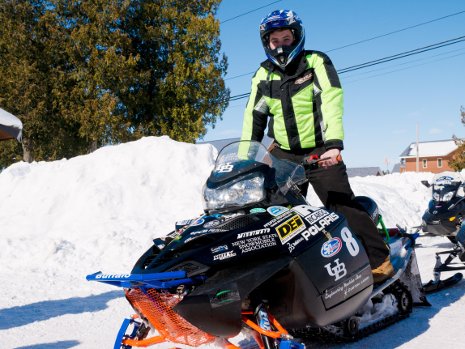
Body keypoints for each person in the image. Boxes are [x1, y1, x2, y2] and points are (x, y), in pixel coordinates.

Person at [241, 9, 393, 283]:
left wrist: (334, 144)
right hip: (285, 155)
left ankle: (379, 260)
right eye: (275, 41)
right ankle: (288, 275)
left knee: (341, 206)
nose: (281, 45)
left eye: (286, 38)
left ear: (296, 36)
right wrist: (245, 161)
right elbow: (254, 116)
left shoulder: (315, 62)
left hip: (321, 151)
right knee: (277, 215)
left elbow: (332, 101)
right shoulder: (263, 75)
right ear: (267, 43)